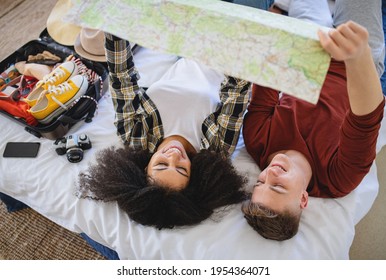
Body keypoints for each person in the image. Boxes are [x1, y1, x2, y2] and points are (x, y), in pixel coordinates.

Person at [78, 28, 252, 229]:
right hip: (226, 55)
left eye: (161, 165)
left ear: (145, 168)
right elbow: (237, 89)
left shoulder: (135, 135)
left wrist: (116, 24)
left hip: (189, 47)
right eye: (181, 169)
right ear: (192, 175)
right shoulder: (216, 149)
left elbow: (121, 76)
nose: (173, 156)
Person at [241, 0, 385, 241]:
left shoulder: (257, 142)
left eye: (260, 182)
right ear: (303, 199)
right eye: (278, 186)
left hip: (306, 52)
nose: (270, 174)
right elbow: (366, 118)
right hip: (356, 66)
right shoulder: (338, 178)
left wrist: (274, 29)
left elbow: (269, 75)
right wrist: (358, 55)